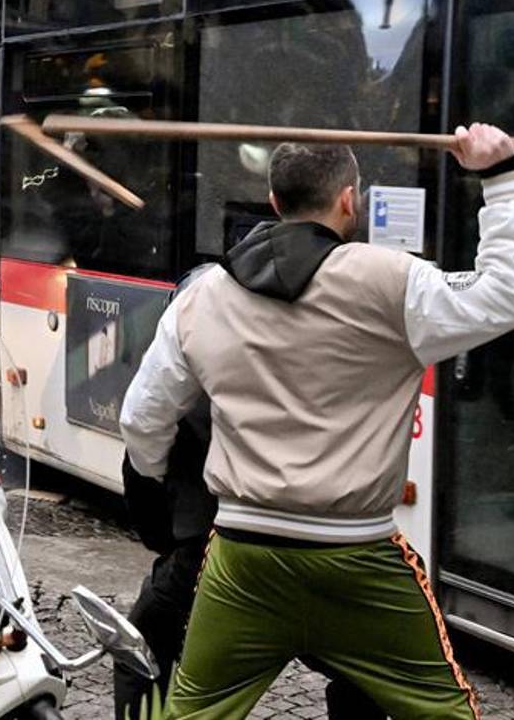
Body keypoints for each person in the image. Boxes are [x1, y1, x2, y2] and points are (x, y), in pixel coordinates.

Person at [121, 123, 514, 720]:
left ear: (274, 202)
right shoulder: (394, 282)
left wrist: (150, 485)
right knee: (445, 711)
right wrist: (498, 178)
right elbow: (510, 294)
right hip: (358, 559)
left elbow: (144, 418)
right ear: (349, 200)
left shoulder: (202, 295)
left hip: (243, 559)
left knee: (192, 712)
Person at [116, 267, 389, 720]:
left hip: (216, 553)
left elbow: (143, 455)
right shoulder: (291, 379)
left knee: (140, 641)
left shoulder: (183, 392)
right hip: (315, 550)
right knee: (361, 661)